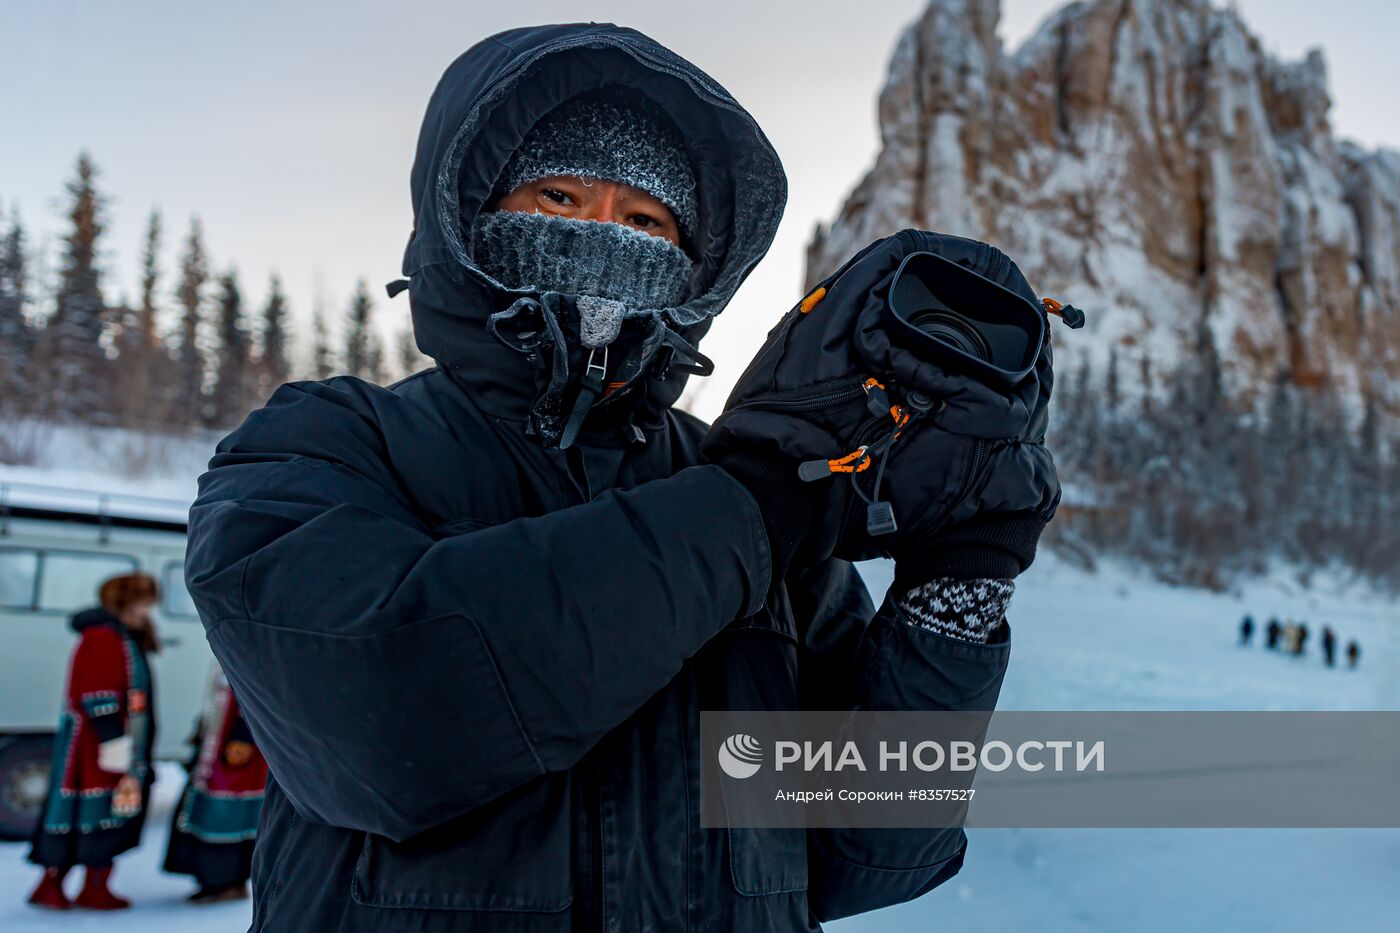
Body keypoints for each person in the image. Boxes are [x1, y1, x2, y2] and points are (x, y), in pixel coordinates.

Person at [184, 23, 1051, 931]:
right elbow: (383, 719)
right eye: (561, 197)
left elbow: (864, 854)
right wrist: (752, 509)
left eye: (646, 223)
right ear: (472, 211)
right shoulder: (326, 441)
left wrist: (956, 599)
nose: (606, 237)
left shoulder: (748, 492)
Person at [26, 572, 159, 912]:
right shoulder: (102, 637)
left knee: (108, 813)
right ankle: (54, 884)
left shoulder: (123, 635)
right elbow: (98, 695)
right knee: (86, 813)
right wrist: (114, 745)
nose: (148, 610)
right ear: (124, 602)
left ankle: (93, 885)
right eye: (143, 602)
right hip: (95, 748)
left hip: (111, 745)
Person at [162, 663, 268, 904]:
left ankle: (227, 881)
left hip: (237, 747)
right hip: (217, 743)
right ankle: (212, 880)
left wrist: (241, 737)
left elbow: (253, 695)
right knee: (206, 809)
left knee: (225, 813)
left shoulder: (253, 650)